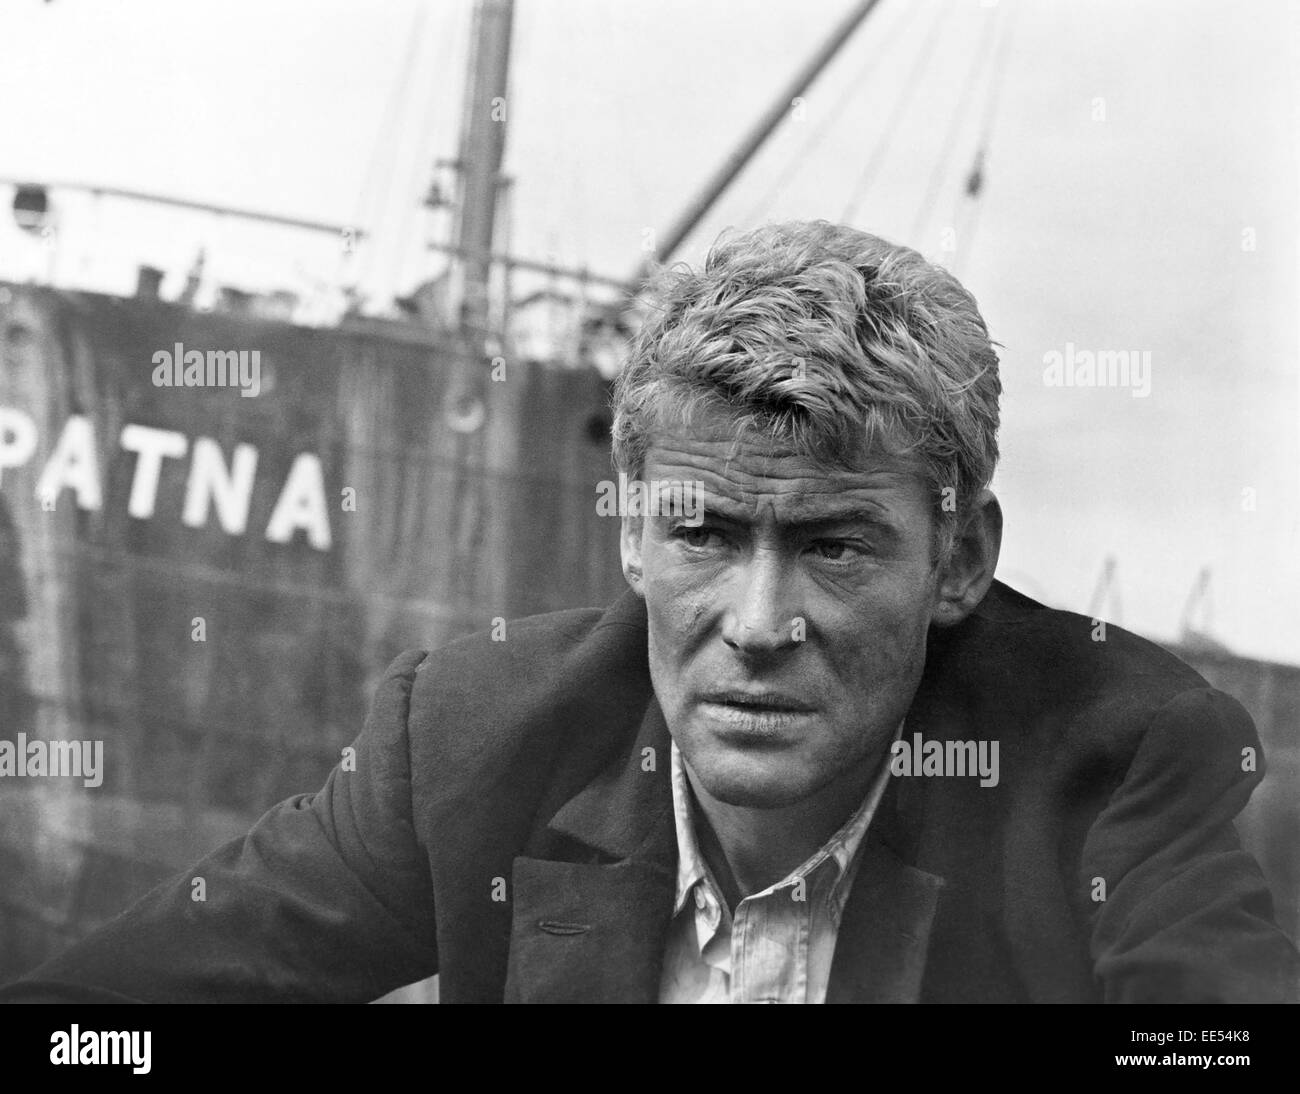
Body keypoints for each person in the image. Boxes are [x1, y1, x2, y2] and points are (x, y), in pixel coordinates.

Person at [3, 221, 1296, 1003]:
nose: (758, 618)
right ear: (631, 530)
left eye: (836, 544)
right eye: (704, 532)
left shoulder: (1116, 762)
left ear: (960, 557)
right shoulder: (475, 739)